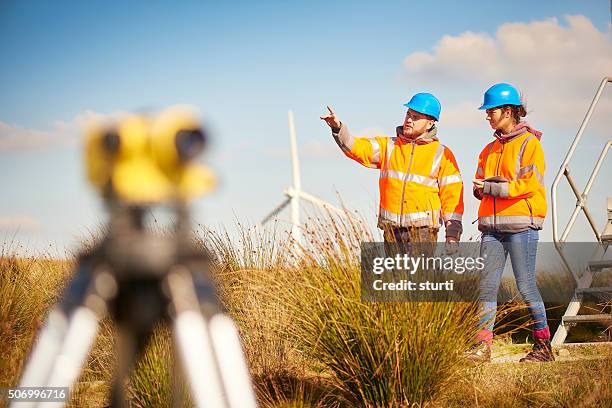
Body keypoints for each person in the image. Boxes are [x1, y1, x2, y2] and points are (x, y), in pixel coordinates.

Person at [469, 83, 554, 362]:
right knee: (485, 287)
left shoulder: (530, 144)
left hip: (521, 227)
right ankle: (483, 348)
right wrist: (480, 189)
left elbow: (530, 184)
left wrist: (491, 188)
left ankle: (543, 347)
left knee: (526, 285)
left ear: (508, 111)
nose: (487, 116)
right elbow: (480, 181)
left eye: (490, 110)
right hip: (491, 230)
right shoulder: (488, 149)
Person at [320, 93, 464, 249]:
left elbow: (452, 196)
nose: (409, 119)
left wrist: (452, 234)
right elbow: (357, 147)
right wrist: (338, 127)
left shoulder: (442, 154)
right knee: (394, 275)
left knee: (416, 274)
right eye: (408, 114)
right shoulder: (388, 146)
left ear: (430, 124)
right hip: (391, 230)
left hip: (423, 232)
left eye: (416, 117)